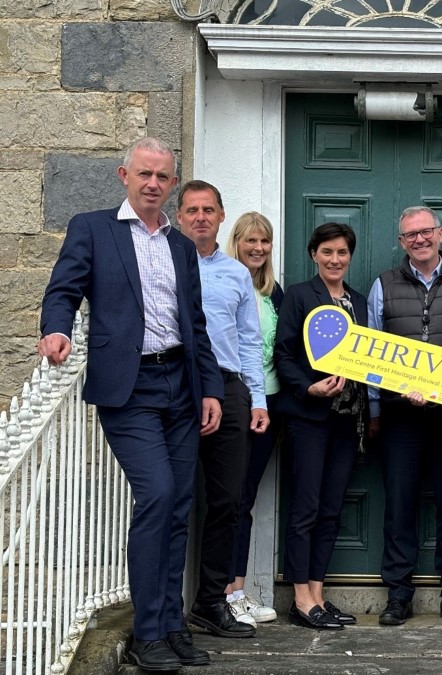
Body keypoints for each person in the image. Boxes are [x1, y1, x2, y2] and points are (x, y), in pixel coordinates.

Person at [39, 137, 223, 671]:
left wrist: (209, 387)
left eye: (162, 177)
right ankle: (146, 633)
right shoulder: (92, 228)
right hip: (130, 388)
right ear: (124, 174)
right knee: (158, 495)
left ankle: (170, 626)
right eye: (144, 174)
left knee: (180, 508)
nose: (152, 184)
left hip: (182, 387)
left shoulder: (181, 245)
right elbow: (62, 291)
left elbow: (196, 325)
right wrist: (55, 331)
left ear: (171, 183)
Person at [368, 206, 442, 626]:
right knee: (399, 504)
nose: (419, 240)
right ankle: (398, 594)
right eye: (410, 235)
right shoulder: (383, 285)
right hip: (401, 417)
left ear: (440, 234)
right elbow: (372, 353)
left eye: (426, 232)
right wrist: (378, 407)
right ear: (401, 242)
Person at [177, 180, 268, 640]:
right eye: (191, 209)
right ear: (179, 216)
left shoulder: (235, 274)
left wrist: (257, 398)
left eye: (208, 209)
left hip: (230, 390)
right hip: (176, 386)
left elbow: (250, 340)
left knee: (228, 501)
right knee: (171, 498)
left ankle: (210, 602)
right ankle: (164, 606)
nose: (200, 216)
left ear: (220, 216)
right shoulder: (166, 262)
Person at [274, 222, 368, 631]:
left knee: (330, 511)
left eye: (342, 252)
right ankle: (300, 598)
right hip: (308, 419)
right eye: (327, 252)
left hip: (348, 421)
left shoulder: (360, 302)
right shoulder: (298, 295)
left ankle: (318, 593)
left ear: (350, 257)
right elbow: (283, 355)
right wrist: (308, 387)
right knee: (306, 508)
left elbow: (369, 358)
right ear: (314, 254)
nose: (335, 259)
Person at [224, 212, 284, 625]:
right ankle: (223, 593)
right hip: (236, 403)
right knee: (230, 498)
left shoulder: (273, 292)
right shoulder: (224, 282)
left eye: (264, 242)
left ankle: (237, 591)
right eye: (251, 241)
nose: (258, 249)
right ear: (237, 242)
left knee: (245, 498)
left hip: (271, 405)